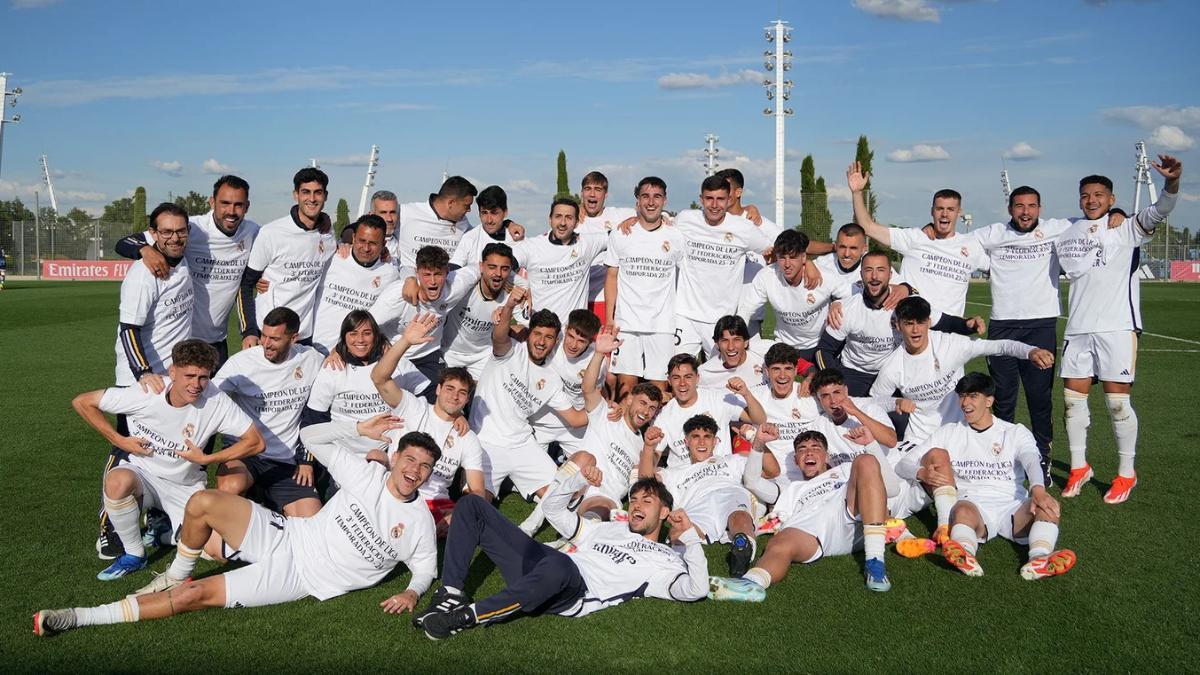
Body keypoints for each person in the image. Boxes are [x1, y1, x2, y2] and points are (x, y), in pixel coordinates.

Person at [34, 416, 441, 637]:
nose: (414, 471)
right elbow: (311, 436)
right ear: (395, 457)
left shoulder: (419, 520)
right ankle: (173, 571)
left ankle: (80, 616)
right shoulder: (366, 475)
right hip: (290, 533)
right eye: (409, 460)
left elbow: (425, 567)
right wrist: (357, 430)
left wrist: (410, 590)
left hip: (300, 575)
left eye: (425, 466)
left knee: (194, 595)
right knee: (204, 501)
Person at [414, 454, 707, 640]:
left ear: (665, 513)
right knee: (472, 505)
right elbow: (554, 512)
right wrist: (576, 480)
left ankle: (464, 617)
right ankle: (450, 594)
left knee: (559, 565)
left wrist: (690, 537)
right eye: (634, 500)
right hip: (543, 565)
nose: (637, 506)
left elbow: (695, 590)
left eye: (647, 501)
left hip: (571, 589)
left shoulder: (666, 561)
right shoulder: (607, 529)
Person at [73, 340, 264, 581]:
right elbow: (82, 401)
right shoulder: (146, 392)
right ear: (172, 372)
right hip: (144, 477)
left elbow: (256, 442)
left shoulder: (217, 401)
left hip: (185, 486)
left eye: (203, 377)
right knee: (116, 480)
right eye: (190, 376)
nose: (196, 385)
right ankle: (134, 554)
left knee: (220, 553)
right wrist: (120, 440)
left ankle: (166, 533)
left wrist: (208, 458)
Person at [1056, 156, 1182, 504]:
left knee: (1116, 403)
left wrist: (1172, 182)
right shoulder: (1066, 228)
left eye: (1099, 195)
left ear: (1111, 199)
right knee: (1072, 402)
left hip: (1117, 327)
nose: (1091, 200)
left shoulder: (1126, 227)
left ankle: (1126, 473)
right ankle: (1080, 467)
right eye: (1085, 195)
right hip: (1078, 328)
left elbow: (1162, 208)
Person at [895, 373, 1077, 580]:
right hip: (973, 505)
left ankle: (1039, 558)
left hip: (1012, 505)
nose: (965, 403)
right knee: (961, 509)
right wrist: (921, 472)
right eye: (962, 396)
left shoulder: (1014, 431)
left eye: (973, 396)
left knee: (1047, 505)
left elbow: (1031, 460)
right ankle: (965, 555)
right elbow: (904, 464)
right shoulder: (949, 432)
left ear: (989, 401)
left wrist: (1038, 489)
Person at [95, 202, 197, 559]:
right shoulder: (144, 273)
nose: (174, 237)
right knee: (127, 446)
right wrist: (143, 373)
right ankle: (110, 526)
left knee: (160, 446)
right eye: (165, 232)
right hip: (140, 379)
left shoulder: (183, 255)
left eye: (180, 231)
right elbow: (128, 330)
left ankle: (156, 519)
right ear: (153, 235)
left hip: (168, 378)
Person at [711, 424, 899, 598]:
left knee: (865, 459)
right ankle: (750, 584)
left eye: (815, 448)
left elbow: (891, 489)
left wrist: (871, 445)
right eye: (802, 450)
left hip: (852, 514)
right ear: (796, 460)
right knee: (781, 543)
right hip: (811, 534)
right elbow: (752, 481)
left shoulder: (847, 470)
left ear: (827, 456)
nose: (809, 453)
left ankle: (875, 562)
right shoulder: (791, 488)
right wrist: (758, 442)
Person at [469, 288, 588, 529]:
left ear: (556, 341)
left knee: (565, 495)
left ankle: (524, 492)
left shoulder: (552, 380)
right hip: (486, 441)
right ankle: (510, 488)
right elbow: (499, 335)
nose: (542, 342)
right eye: (537, 334)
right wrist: (510, 306)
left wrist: (607, 406)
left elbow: (576, 419)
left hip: (522, 444)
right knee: (477, 505)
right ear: (529, 334)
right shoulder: (510, 350)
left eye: (549, 337)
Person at [114, 175, 259, 366]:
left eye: (238, 205)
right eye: (224, 203)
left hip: (217, 339)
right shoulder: (190, 227)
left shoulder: (253, 233)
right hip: (183, 341)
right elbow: (124, 243)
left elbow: (249, 280)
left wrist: (262, 279)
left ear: (247, 206)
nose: (231, 211)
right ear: (212, 202)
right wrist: (145, 250)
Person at [869, 297, 1053, 443]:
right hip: (920, 440)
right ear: (899, 326)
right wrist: (896, 403)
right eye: (909, 323)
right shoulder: (892, 366)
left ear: (929, 322)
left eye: (921, 322)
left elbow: (1000, 346)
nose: (916, 330)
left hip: (961, 435)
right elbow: (874, 402)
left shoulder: (951, 345)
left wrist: (1031, 351)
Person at [371, 313, 486, 533]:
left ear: (467, 399)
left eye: (462, 393)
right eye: (450, 389)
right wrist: (405, 341)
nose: (455, 396)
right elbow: (379, 378)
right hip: (395, 489)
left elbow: (478, 490)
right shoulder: (413, 406)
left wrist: (456, 515)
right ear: (438, 389)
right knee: (374, 457)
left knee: (470, 518)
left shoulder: (468, 438)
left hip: (435, 504)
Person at [816, 251, 982, 396]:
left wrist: (968, 325)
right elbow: (824, 350)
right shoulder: (847, 308)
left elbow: (944, 322)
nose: (874, 276)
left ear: (890, 274)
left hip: (896, 374)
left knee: (905, 421)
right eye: (868, 270)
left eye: (880, 270)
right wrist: (836, 381)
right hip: (855, 374)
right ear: (861, 275)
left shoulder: (907, 304)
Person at [213, 308, 326, 518]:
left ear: (293, 338)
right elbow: (210, 398)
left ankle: (262, 497)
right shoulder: (242, 363)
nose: (265, 343)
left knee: (311, 519)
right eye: (264, 335)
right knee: (230, 487)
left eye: (274, 338)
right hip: (247, 455)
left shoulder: (311, 359)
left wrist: (306, 460)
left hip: (288, 461)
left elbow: (339, 370)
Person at [300, 310, 430, 484]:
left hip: (388, 455)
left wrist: (456, 416)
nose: (360, 340)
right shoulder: (333, 368)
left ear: (376, 336)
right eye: (353, 334)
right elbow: (313, 418)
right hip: (344, 456)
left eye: (366, 333)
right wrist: (305, 461)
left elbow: (429, 393)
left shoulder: (395, 363)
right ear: (343, 337)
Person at [641, 415, 777, 576]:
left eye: (707, 437)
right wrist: (649, 448)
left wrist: (758, 441)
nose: (701, 442)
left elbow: (772, 471)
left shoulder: (732, 460)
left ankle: (743, 551)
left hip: (730, 494)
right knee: (678, 533)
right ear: (686, 441)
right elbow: (645, 484)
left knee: (740, 518)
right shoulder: (674, 472)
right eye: (695, 437)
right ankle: (673, 569)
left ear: (715, 441)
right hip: (696, 505)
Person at [847, 161, 989, 316]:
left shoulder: (971, 246)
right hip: (912, 325)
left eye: (951, 209)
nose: (944, 214)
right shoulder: (915, 238)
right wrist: (856, 193)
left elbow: (1002, 268)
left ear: (959, 212)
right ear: (932, 211)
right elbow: (868, 227)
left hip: (950, 332)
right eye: (940, 209)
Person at [668, 175, 775, 357]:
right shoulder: (686, 219)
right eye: (709, 198)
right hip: (684, 314)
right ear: (701, 199)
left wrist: (807, 265)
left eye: (720, 199)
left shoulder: (744, 228)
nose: (715, 205)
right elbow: (658, 225)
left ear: (729, 200)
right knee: (678, 371)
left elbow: (771, 252)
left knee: (722, 374)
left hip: (722, 318)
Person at [603, 176, 685, 399]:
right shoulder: (621, 233)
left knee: (659, 389)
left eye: (657, 196)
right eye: (645, 196)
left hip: (662, 324)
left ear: (665, 201)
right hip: (627, 322)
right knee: (625, 388)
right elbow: (611, 276)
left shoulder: (676, 236)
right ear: (637, 200)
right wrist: (610, 319)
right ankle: (623, 433)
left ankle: (655, 433)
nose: (651, 202)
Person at [237, 167, 336, 347]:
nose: (312, 199)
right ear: (295, 195)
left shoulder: (328, 233)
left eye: (318, 193)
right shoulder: (271, 233)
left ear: (325, 196)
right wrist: (249, 331)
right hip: (268, 334)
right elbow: (245, 284)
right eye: (305, 192)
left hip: (304, 336)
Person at [369, 245, 477, 401]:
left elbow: (480, 268)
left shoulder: (456, 285)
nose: (432, 281)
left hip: (428, 356)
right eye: (426, 274)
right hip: (395, 355)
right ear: (417, 272)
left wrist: (519, 286)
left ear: (447, 272)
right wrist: (338, 350)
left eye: (438, 274)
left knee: (440, 403)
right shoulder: (397, 296)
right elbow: (363, 324)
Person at [738, 229, 845, 361]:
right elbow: (746, 309)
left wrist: (838, 302)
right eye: (782, 257)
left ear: (804, 257)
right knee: (753, 354)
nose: (787, 264)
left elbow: (853, 296)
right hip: (784, 345)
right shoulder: (767, 276)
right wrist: (738, 338)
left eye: (793, 257)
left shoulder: (824, 276)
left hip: (819, 344)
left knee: (828, 380)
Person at [654, 353, 767, 468]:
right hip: (683, 479)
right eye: (676, 378)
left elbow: (759, 419)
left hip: (721, 473)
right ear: (669, 380)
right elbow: (655, 453)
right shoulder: (664, 415)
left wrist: (746, 394)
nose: (682, 383)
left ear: (697, 378)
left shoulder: (718, 398)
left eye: (688, 377)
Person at [310, 214, 400, 354]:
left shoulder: (390, 274)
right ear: (353, 238)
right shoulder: (332, 258)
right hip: (313, 348)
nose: (366, 248)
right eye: (361, 241)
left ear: (383, 245)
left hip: (351, 355)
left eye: (373, 243)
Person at [442, 242, 529, 381]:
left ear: (511, 270)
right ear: (481, 267)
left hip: (482, 355)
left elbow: (526, 328)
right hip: (449, 352)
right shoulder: (465, 285)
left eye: (504, 269)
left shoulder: (514, 292)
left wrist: (506, 314)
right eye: (492, 267)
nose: (498, 274)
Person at [514, 197, 607, 324]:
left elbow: (619, 236)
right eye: (558, 216)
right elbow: (500, 263)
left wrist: (633, 220)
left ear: (577, 222)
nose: (562, 223)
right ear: (550, 219)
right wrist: (523, 287)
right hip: (541, 332)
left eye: (569, 217)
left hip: (573, 335)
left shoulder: (587, 244)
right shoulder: (532, 246)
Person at [529, 309, 605, 459]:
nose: (573, 345)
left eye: (582, 341)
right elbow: (529, 335)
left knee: (584, 472)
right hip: (541, 421)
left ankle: (560, 467)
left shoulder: (598, 362)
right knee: (529, 474)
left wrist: (606, 408)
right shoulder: (553, 340)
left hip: (574, 427)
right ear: (565, 328)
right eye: (571, 336)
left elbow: (596, 395)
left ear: (591, 341)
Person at [747, 343, 821, 472]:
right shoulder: (754, 396)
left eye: (788, 368)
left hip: (809, 470)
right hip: (772, 473)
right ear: (767, 371)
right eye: (776, 369)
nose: (782, 375)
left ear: (796, 370)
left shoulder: (811, 395)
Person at [575, 170, 637, 323]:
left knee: (605, 345)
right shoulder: (573, 218)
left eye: (598, 189)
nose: (592, 194)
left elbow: (655, 214)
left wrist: (635, 219)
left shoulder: (619, 215)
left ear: (606, 195)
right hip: (578, 300)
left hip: (608, 300)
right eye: (588, 189)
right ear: (582, 193)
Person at [390, 175, 477, 268]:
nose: (469, 210)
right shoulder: (404, 213)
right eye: (466, 206)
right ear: (451, 203)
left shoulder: (465, 226)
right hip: (408, 279)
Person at [448, 185, 525, 269]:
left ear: (505, 212)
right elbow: (454, 268)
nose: (489, 220)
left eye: (494, 213)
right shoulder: (469, 238)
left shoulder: (517, 237)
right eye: (484, 213)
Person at [697, 315, 774, 390]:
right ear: (717, 344)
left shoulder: (765, 352)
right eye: (725, 341)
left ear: (746, 342)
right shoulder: (704, 374)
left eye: (736, 340)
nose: (731, 347)